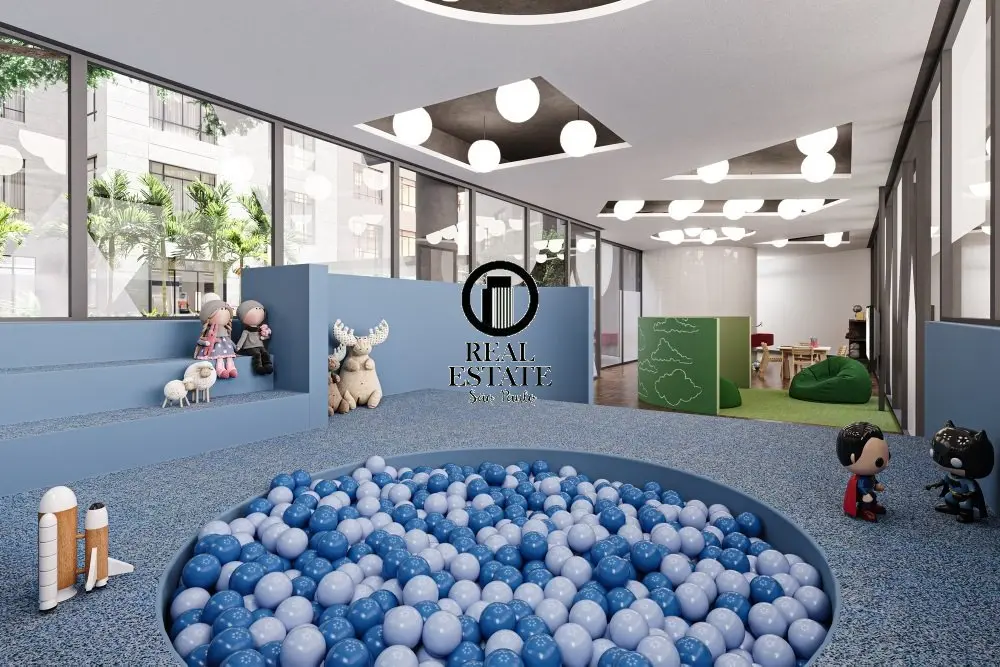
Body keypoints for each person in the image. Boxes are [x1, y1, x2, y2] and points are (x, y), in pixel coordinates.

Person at [836, 422, 890, 522]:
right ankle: (864, 510)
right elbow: (861, 487)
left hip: (869, 492)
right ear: (853, 458)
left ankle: (872, 506)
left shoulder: (869, 475)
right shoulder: (861, 479)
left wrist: (876, 485)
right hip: (864, 495)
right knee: (868, 499)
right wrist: (865, 494)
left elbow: (873, 480)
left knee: (873, 497)